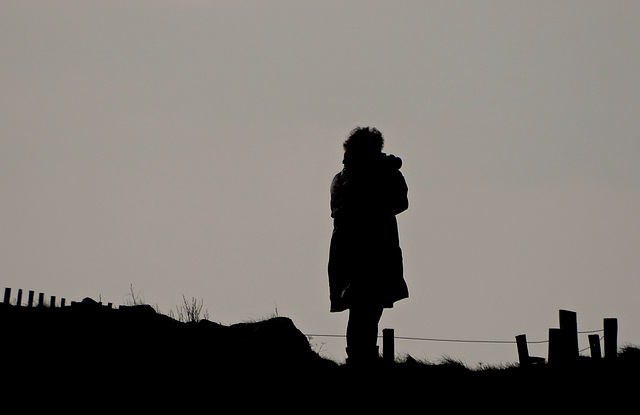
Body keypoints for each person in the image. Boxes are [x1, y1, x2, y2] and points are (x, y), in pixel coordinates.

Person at [328, 126, 409, 365]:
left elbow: (397, 202)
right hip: (372, 249)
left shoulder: (342, 177)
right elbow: (398, 202)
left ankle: (360, 356)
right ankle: (361, 359)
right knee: (366, 307)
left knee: (363, 308)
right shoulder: (361, 176)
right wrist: (383, 171)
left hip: (350, 249)